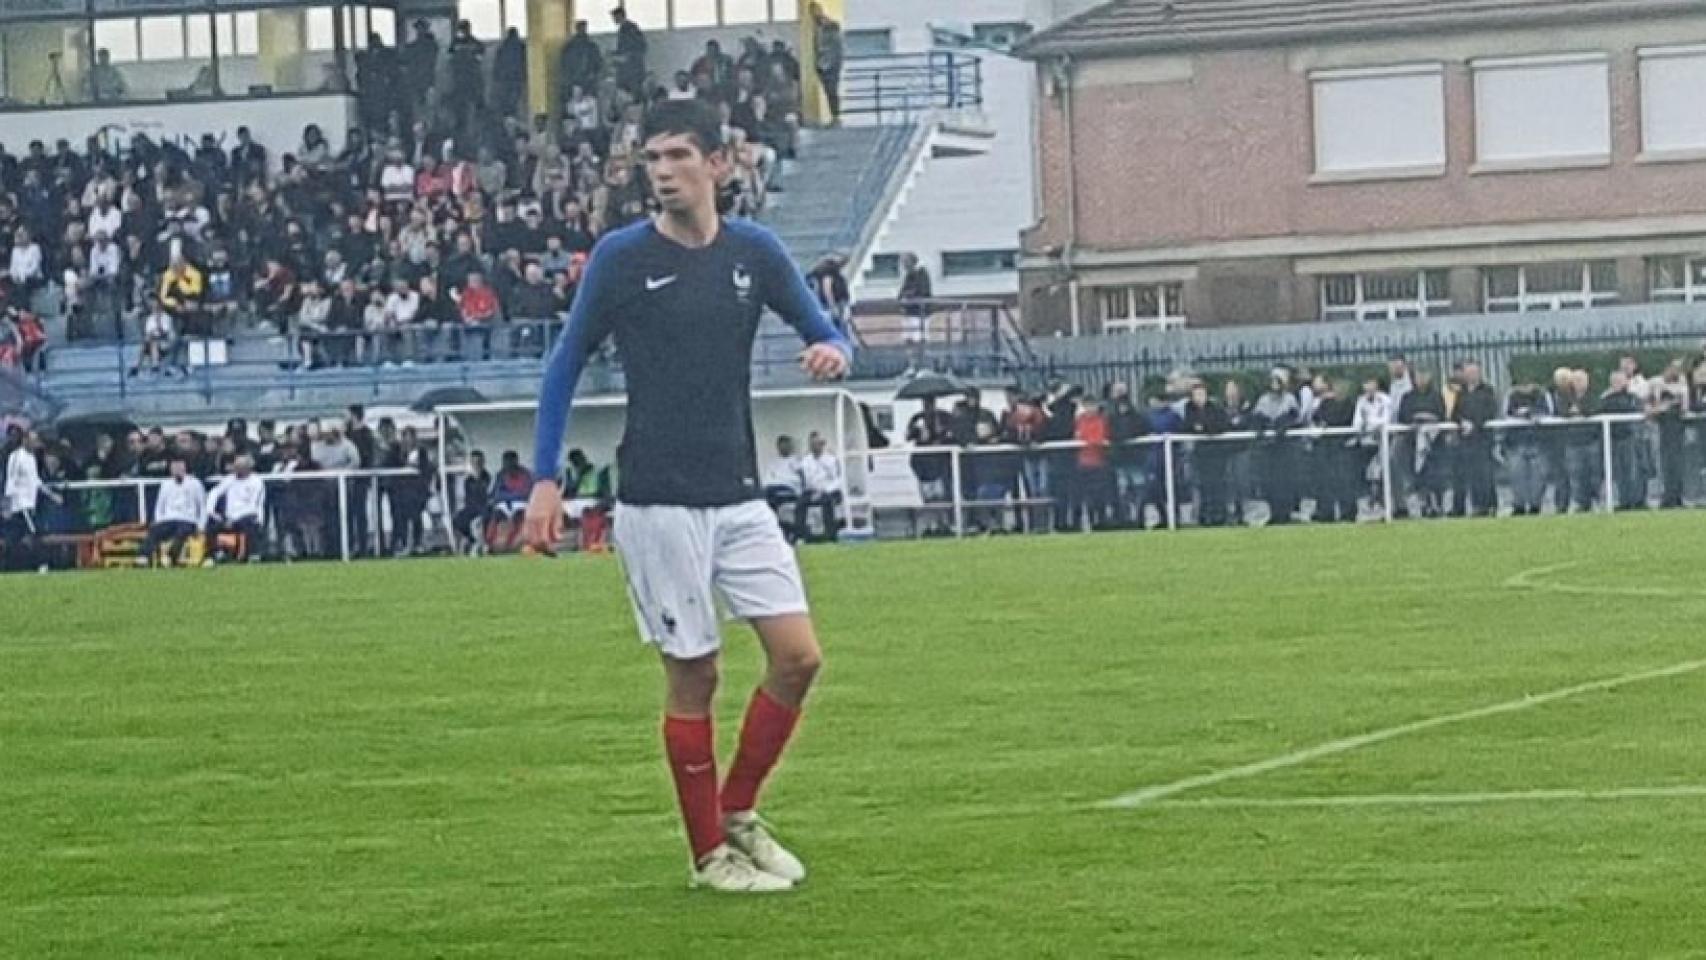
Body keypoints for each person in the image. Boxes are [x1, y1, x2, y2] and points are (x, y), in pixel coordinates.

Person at [524, 99, 852, 894]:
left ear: (719, 164)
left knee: (799, 657)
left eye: (676, 156)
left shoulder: (756, 252)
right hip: (658, 501)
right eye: (651, 160)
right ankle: (710, 857)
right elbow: (565, 363)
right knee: (694, 674)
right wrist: (545, 478)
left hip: (738, 496)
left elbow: (827, 328)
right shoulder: (621, 258)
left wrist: (830, 350)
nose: (662, 172)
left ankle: (737, 809)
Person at [4, 429, 62, 573]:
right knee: (35, 532)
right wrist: (8, 502)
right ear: (25, 440)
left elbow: (36, 481)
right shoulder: (16, 457)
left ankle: (7, 564)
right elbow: (11, 480)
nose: (36, 443)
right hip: (21, 504)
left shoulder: (31, 458)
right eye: (33, 440)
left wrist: (51, 495)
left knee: (14, 537)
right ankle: (42, 564)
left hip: (31, 503)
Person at [1453, 361, 1499, 517]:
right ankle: (1474, 506)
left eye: (1474, 372)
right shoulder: (1461, 393)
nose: (1471, 375)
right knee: (1470, 475)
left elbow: (1490, 411)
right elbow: (1455, 413)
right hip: (1466, 441)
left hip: (1483, 440)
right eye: (1469, 372)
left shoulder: (1487, 391)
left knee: (1485, 474)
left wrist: (1475, 425)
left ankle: (1489, 505)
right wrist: (1461, 423)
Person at [140, 458, 205, 567]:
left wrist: (201, 525)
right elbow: (160, 506)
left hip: (188, 519)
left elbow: (202, 506)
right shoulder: (165, 484)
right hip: (168, 518)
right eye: (174, 467)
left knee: (181, 532)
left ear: (185, 467)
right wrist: (159, 521)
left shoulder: (195, 483)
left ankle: (172, 555)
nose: (177, 469)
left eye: (179, 466)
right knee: (154, 530)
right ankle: (144, 556)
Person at [203, 454, 266, 563]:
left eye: (240, 467)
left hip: (248, 516)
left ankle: (251, 554)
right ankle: (213, 554)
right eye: (236, 466)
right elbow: (215, 493)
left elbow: (253, 506)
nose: (236, 469)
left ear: (248, 468)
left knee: (249, 523)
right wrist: (211, 511)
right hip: (228, 517)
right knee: (210, 525)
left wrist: (234, 519)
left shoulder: (256, 482)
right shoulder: (229, 480)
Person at [1504, 379, 1552, 516]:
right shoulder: (1511, 396)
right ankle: (1518, 506)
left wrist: (1534, 414)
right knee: (1516, 476)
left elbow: (1549, 414)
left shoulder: (1543, 395)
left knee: (1539, 477)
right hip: (1516, 443)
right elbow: (1505, 416)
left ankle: (1535, 506)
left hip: (1538, 442)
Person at [797, 432, 843, 543]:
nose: (814, 446)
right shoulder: (805, 461)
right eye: (811, 444)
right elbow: (807, 480)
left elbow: (838, 480)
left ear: (822, 444)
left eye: (817, 443)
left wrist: (824, 491)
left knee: (827, 502)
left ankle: (830, 535)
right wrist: (813, 492)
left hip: (829, 490)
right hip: (812, 490)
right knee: (800, 504)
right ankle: (802, 536)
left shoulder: (831, 459)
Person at [763, 435, 804, 541]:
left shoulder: (796, 461)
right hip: (773, 489)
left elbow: (801, 478)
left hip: (789, 489)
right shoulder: (773, 462)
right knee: (765, 497)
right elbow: (768, 479)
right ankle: (773, 527)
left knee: (775, 498)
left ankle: (783, 528)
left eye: (786, 445)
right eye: (781, 445)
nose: (783, 448)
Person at [810, 2, 844, 123]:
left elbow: (835, 48)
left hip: (831, 66)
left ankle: (836, 116)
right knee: (828, 92)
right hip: (822, 65)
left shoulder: (830, 27)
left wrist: (827, 62)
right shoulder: (817, 27)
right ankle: (834, 116)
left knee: (832, 91)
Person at [454, 449, 493, 555]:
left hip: (484, 508)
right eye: (474, 462)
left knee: (479, 521)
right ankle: (467, 543)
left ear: (483, 462)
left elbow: (490, 496)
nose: (477, 464)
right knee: (458, 519)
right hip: (471, 508)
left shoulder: (488, 478)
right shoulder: (467, 480)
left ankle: (480, 544)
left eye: (479, 462)